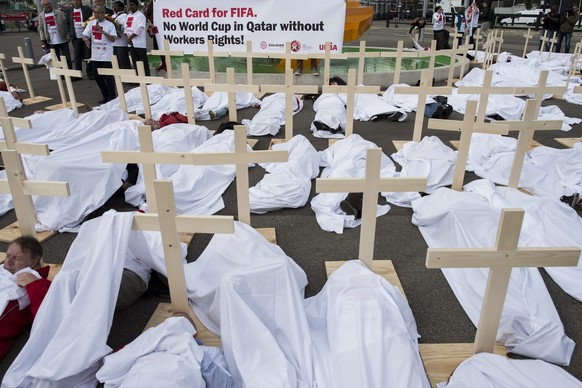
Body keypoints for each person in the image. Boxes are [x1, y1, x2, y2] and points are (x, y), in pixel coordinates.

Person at [0, 236, 50, 360]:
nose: (9, 261)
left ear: (33, 262)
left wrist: (34, 285)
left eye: (16, 258)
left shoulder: (38, 284)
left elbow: (45, 318)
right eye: (8, 255)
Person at [82, 5, 117, 104]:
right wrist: (86, 40)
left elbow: (113, 39)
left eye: (98, 12)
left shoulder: (109, 25)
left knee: (108, 77)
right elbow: (84, 35)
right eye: (95, 12)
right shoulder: (91, 23)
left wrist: (102, 31)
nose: (96, 14)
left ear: (103, 13)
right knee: (97, 77)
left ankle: (112, 97)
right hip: (95, 55)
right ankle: (105, 95)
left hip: (106, 55)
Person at [38, 0, 72, 69]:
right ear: (43, 6)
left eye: (48, 4)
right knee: (56, 58)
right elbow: (41, 28)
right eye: (45, 4)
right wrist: (42, 39)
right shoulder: (41, 16)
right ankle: (61, 73)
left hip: (63, 39)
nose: (48, 5)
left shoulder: (59, 13)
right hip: (51, 41)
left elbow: (65, 24)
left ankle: (69, 72)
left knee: (67, 57)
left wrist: (68, 35)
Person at [68, 0, 92, 81]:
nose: (75, 2)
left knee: (88, 55)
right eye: (74, 0)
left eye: (77, 0)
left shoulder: (87, 9)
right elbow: (68, 23)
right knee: (77, 56)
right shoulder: (70, 11)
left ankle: (90, 73)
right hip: (75, 37)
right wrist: (70, 34)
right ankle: (78, 74)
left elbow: (91, 20)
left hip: (86, 36)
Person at [125, 0, 150, 76]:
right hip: (130, 43)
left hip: (139, 43)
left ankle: (146, 79)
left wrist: (130, 37)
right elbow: (126, 27)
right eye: (129, 5)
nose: (130, 6)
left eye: (132, 5)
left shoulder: (140, 15)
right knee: (135, 61)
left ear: (137, 6)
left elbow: (140, 28)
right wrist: (127, 37)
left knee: (142, 62)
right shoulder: (128, 16)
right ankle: (138, 79)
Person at [145, 0, 166, 72]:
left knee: (164, 46)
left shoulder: (162, 2)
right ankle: (163, 63)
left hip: (163, 27)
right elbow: (147, 14)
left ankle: (166, 64)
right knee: (158, 46)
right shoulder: (150, 4)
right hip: (154, 26)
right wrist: (149, 22)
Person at [112, 1, 131, 69]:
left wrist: (116, 30)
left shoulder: (124, 16)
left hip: (121, 43)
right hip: (113, 43)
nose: (114, 8)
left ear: (121, 7)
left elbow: (123, 27)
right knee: (116, 62)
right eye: (113, 6)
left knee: (123, 61)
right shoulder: (111, 16)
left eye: (116, 6)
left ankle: (127, 77)